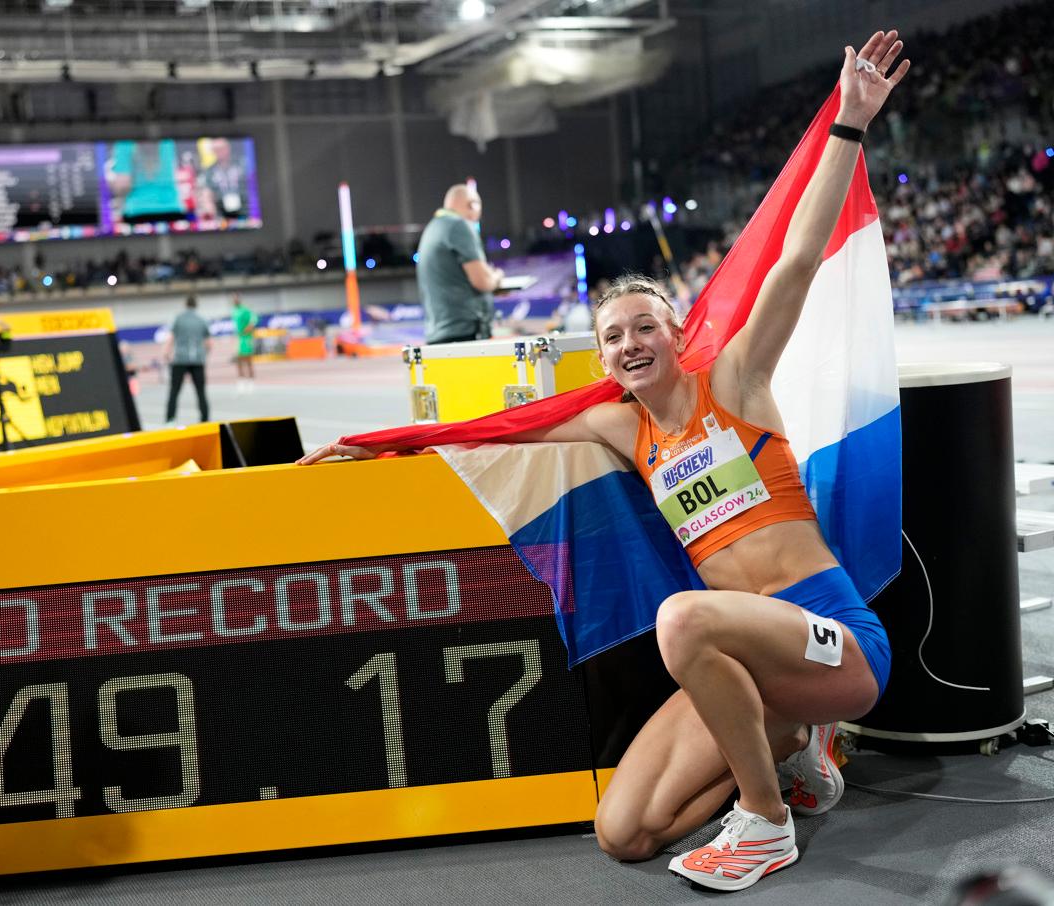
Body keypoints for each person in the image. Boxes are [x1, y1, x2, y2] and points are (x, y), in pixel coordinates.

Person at [299, 31, 908, 892]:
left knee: (683, 620)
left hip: (833, 643)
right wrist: (375, 444)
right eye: (613, 336)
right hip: (744, 672)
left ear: (677, 336)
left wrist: (849, 124)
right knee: (625, 831)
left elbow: (796, 261)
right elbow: (497, 431)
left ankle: (767, 822)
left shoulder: (734, 381)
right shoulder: (621, 431)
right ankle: (781, 749)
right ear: (603, 362)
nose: (630, 343)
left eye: (645, 327)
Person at [416, 184, 505, 344]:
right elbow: (482, 282)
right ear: (472, 205)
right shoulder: (459, 226)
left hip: (440, 332)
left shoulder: (432, 228)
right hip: (463, 332)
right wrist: (497, 278)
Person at [165, 295, 211, 424]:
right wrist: (204, 355)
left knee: (174, 391)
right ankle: (205, 419)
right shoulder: (202, 320)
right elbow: (209, 343)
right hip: (197, 360)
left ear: (186, 304)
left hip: (180, 359)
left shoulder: (179, 319)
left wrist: (166, 353)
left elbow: (171, 338)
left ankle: (170, 419)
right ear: (196, 305)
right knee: (201, 392)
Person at [232, 293, 257, 393]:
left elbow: (254, 320)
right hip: (239, 339)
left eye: (236, 299)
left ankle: (251, 382)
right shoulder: (234, 311)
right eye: (233, 299)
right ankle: (241, 381)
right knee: (238, 360)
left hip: (246, 338)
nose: (234, 300)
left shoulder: (245, 310)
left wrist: (246, 330)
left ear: (239, 300)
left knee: (248, 360)